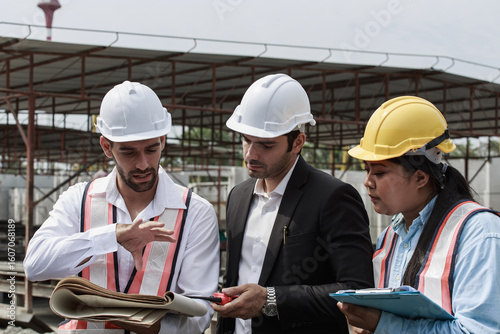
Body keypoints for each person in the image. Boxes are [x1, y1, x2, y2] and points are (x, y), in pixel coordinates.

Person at [24, 81, 220, 334]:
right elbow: (35, 266)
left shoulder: (195, 212)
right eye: (129, 153)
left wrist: (153, 328)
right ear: (107, 147)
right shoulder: (79, 199)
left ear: (162, 140)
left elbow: (200, 308)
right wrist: (112, 236)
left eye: (151, 149)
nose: (142, 164)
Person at [213, 73, 374, 333]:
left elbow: (357, 289)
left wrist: (271, 300)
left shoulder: (332, 198)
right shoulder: (238, 197)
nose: (250, 154)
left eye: (266, 145)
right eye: (246, 140)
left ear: (297, 142)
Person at [338, 96, 500, 333]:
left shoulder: (479, 235)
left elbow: (479, 329)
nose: (367, 182)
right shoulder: (389, 238)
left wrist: (384, 325)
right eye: (366, 169)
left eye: (380, 173)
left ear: (420, 178)